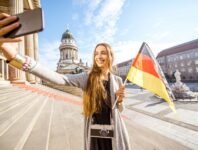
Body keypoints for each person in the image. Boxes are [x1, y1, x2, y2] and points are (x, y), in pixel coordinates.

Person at [0, 13, 131, 150]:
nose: (99, 56)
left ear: (110, 56)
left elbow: (119, 109)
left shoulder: (117, 80)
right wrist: (16, 57)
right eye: (96, 53)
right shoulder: (87, 77)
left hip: (116, 131)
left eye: (103, 52)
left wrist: (120, 101)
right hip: (96, 133)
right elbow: (58, 78)